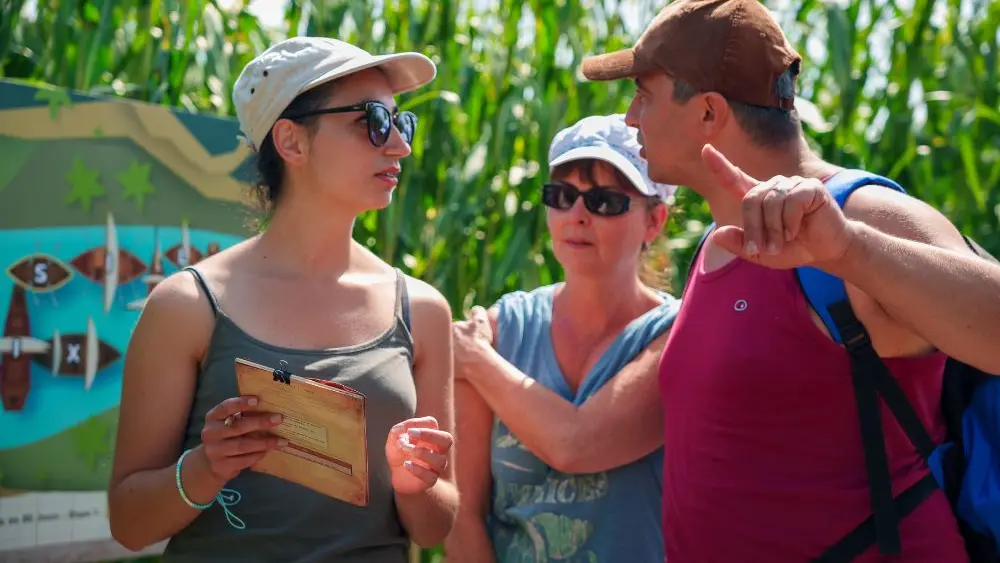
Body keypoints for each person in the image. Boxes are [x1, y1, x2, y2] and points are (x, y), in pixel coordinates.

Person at [580, 0, 1000, 561]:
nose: (631, 117)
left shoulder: (858, 213)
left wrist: (851, 250)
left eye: (644, 95)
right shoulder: (716, 241)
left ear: (709, 113)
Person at [108, 36, 459, 561]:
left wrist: (416, 486)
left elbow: (434, 528)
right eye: (372, 122)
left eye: (400, 123)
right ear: (291, 142)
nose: (400, 146)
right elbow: (129, 523)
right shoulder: (187, 306)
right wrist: (205, 469)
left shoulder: (423, 311)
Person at [443, 114, 679, 563]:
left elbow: (577, 446)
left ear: (655, 221)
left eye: (605, 201)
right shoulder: (500, 328)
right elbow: (463, 515)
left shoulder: (676, 338)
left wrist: (476, 360)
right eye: (561, 196)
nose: (577, 216)